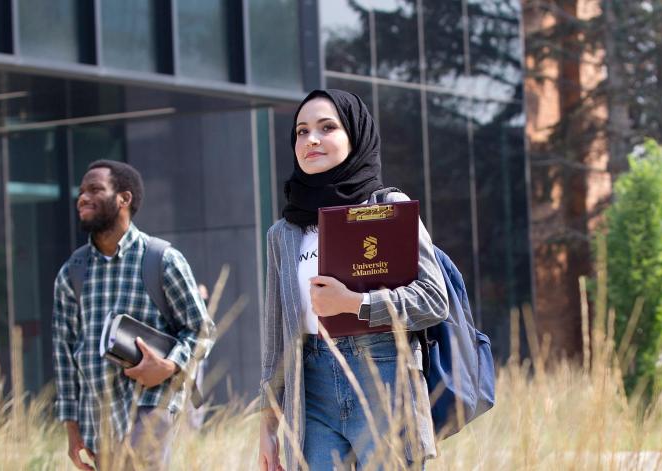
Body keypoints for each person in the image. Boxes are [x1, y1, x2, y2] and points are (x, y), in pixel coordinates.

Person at [257, 89, 449, 470]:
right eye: (301, 131)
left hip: (382, 373)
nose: (310, 139)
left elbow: (433, 299)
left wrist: (354, 304)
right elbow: (276, 335)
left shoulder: (388, 208)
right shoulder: (283, 232)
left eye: (326, 127)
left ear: (355, 136)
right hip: (309, 388)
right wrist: (266, 422)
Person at [53, 160, 215, 470]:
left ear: (123, 199)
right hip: (97, 419)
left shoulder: (161, 260)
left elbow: (202, 331)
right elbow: (64, 357)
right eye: (81, 191)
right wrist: (72, 433)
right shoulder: (71, 273)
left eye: (95, 189)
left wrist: (169, 365)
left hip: (149, 409)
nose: (83, 198)